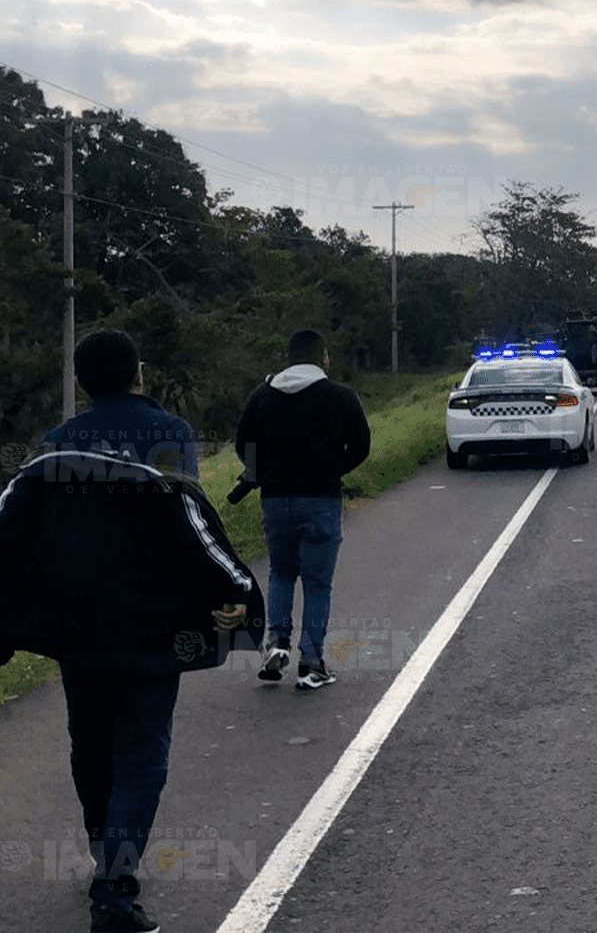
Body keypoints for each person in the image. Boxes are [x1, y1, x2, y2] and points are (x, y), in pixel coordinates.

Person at [0, 330, 263, 933]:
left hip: (75, 631)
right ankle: (114, 894)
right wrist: (237, 595)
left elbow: (9, 537)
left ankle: (103, 852)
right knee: (142, 757)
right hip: (153, 630)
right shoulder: (168, 434)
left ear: (83, 381)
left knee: (90, 745)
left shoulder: (50, 449)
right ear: (138, 374)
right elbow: (193, 525)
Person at [233, 330, 370, 691]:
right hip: (321, 499)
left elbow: (242, 443)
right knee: (317, 583)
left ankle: (276, 644)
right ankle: (312, 663)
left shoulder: (263, 396)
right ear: (321, 356)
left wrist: (263, 471)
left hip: (275, 499)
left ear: (289, 356)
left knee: (280, 573)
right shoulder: (340, 396)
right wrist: (332, 469)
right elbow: (361, 446)